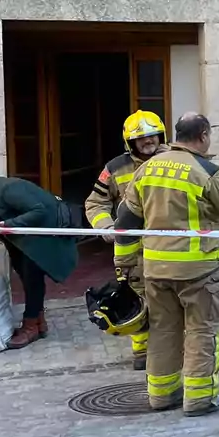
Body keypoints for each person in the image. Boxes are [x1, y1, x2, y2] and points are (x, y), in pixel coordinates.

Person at [113, 113, 219, 416]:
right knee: (201, 331)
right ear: (204, 135)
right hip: (199, 270)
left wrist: (124, 265)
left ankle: (161, 395)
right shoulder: (205, 170)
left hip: (155, 269)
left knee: (163, 331)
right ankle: (199, 399)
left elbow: (125, 221)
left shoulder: (147, 168)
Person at [0, 171, 79, 349]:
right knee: (27, 278)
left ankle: (30, 326)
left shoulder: (8, 190)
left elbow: (39, 210)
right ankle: (39, 322)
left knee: (32, 278)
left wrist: (9, 224)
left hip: (43, 235)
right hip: (21, 240)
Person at [84, 110, 167, 370]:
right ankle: (142, 353)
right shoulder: (115, 168)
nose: (147, 141)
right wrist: (105, 225)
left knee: (171, 300)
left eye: (152, 135)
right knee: (136, 299)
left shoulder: (178, 161)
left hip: (168, 247)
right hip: (132, 251)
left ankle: (173, 349)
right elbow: (95, 202)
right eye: (140, 138)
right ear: (130, 142)